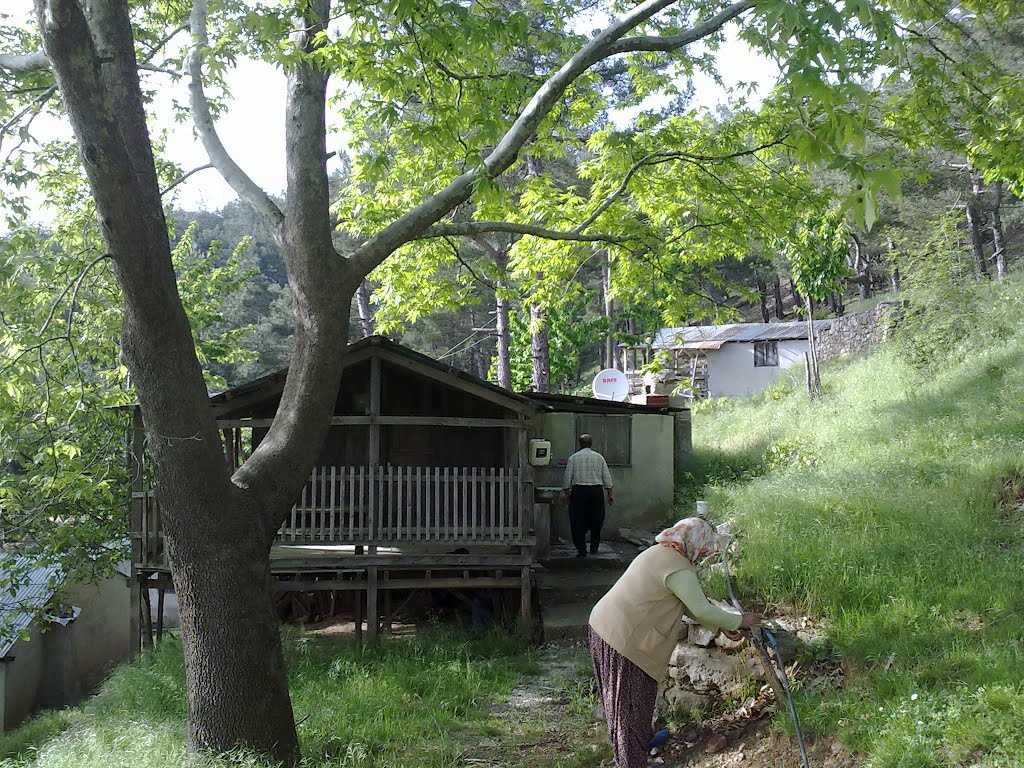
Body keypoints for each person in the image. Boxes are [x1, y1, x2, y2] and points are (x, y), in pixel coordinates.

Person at [588, 518, 761, 768]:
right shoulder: (676, 565)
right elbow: (700, 609)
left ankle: (642, 740)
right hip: (621, 638)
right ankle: (631, 762)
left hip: (609, 629)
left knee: (637, 695)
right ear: (694, 543)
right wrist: (740, 620)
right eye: (703, 550)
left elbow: (688, 604)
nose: (702, 556)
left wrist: (724, 624)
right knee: (627, 704)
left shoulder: (661, 554)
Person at [563, 434, 614, 557]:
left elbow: (567, 479)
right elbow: (606, 476)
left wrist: (567, 495)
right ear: (591, 444)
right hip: (596, 491)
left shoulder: (573, 458)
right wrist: (609, 494)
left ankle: (581, 550)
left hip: (579, 492)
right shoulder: (599, 458)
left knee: (577, 520)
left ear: (579, 444)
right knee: (597, 520)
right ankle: (594, 548)